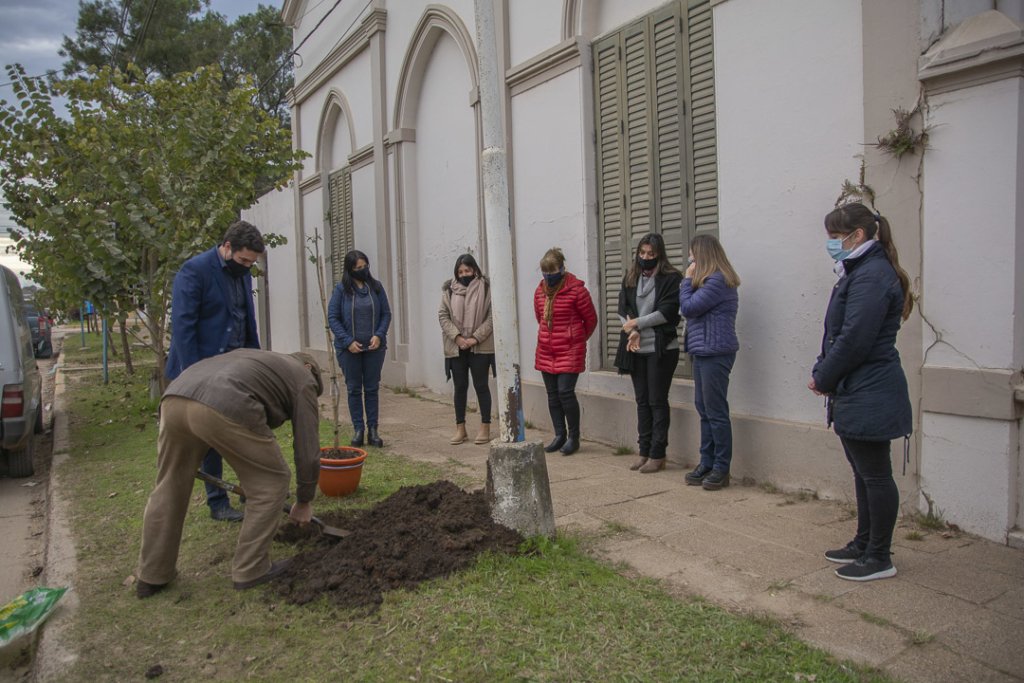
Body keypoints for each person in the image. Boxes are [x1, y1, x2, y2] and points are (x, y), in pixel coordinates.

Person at [135, 349, 324, 597]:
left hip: (175, 398)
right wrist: (304, 500)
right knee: (272, 481)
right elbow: (307, 448)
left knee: (171, 483)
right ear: (310, 369)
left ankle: (152, 574)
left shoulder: (260, 360)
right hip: (223, 400)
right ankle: (252, 568)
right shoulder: (303, 378)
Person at [809, 202, 913, 582]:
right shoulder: (860, 270)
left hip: (872, 388)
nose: (831, 245)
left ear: (858, 236)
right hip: (859, 387)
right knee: (862, 471)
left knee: (875, 475)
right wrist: (828, 374)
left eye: (835, 238)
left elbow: (855, 338)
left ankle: (879, 556)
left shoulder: (870, 275)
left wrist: (824, 376)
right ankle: (864, 542)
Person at [164, 220, 264, 522]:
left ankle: (253, 489)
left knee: (242, 429)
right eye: (244, 260)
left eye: (252, 263)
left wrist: (253, 363)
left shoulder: (242, 275)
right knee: (206, 439)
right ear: (227, 247)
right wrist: (196, 375)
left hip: (234, 368)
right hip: (200, 370)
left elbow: (246, 320)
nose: (247, 267)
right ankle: (217, 502)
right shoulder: (195, 271)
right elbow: (183, 327)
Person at [613, 234, 683, 473]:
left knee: (657, 400)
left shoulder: (671, 278)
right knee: (642, 400)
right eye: (642, 253)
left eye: (650, 254)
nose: (645, 257)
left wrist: (637, 326)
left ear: (659, 255)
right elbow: (623, 308)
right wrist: (631, 328)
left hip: (661, 349)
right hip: (635, 347)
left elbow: (668, 312)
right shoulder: (631, 276)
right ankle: (643, 451)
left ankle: (658, 453)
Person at [679, 234, 740, 490]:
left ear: (702, 254)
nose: (690, 259)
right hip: (703, 350)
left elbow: (688, 308)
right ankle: (706, 461)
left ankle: (721, 468)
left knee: (715, 411)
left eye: (693, 253)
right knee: (704, 408)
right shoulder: (706, 282)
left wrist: (685, 280)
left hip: (716, 352)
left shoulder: (717, 281)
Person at [533, 248, 598, 455]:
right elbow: (540, 318)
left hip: (570, 349)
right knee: (552, 395)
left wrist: (576, 338)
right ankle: (559, 435)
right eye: (545, 273)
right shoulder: (540, 291)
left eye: (552, 272)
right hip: (546, 348)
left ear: (562, 269)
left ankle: (573, 437)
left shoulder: (577, 291)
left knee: (565, 393)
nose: (548, 277)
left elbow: (591, 320)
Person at [328, 250, 392, 449]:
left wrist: (379, 335)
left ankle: (373, 429)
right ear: (350, 270)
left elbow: (386, 314)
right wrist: (347, 341)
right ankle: (358, 429)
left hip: (374, 348)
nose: (363, 270)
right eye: (358, 268)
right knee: (354, 388)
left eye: (365, 267)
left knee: (372, 388)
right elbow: (333, 318)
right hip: (350, 350)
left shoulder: (376, 287)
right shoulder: (341, 291)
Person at [438, 254, 495, 445]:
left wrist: (474, 338)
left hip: (480, 347)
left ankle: (485, 427)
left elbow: (492, 316)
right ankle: (460, 429)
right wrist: (458, 337)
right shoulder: (449, 290)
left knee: (481, 386)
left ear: (475, 270)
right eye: (460, 271)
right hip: (457, 347)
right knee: (460, 387)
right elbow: (443, 316)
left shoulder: (486, 288)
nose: (464, 274)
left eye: (467, 271)